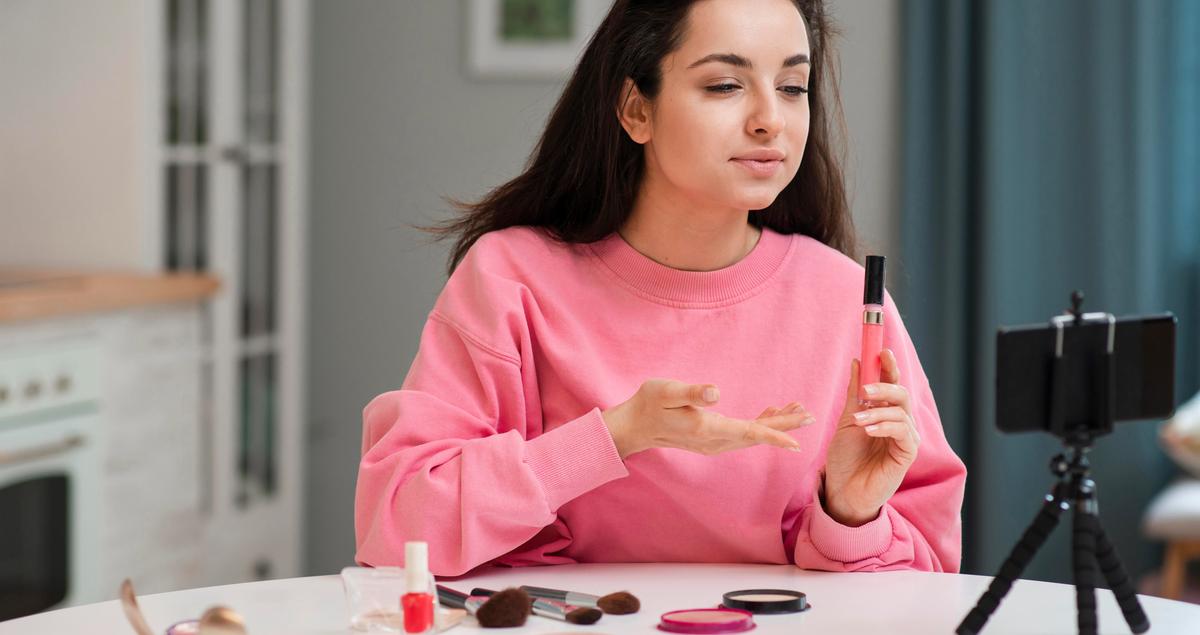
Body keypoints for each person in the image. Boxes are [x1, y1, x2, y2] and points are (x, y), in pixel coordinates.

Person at [355, 0, 966, 576]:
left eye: (791, 87)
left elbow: (929, 580)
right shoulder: (511, 278)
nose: (769, 121)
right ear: (635, 110)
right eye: (725, 85)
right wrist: (619, 434)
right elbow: (397, 526)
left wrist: (850, 513)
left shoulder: (847, 299)